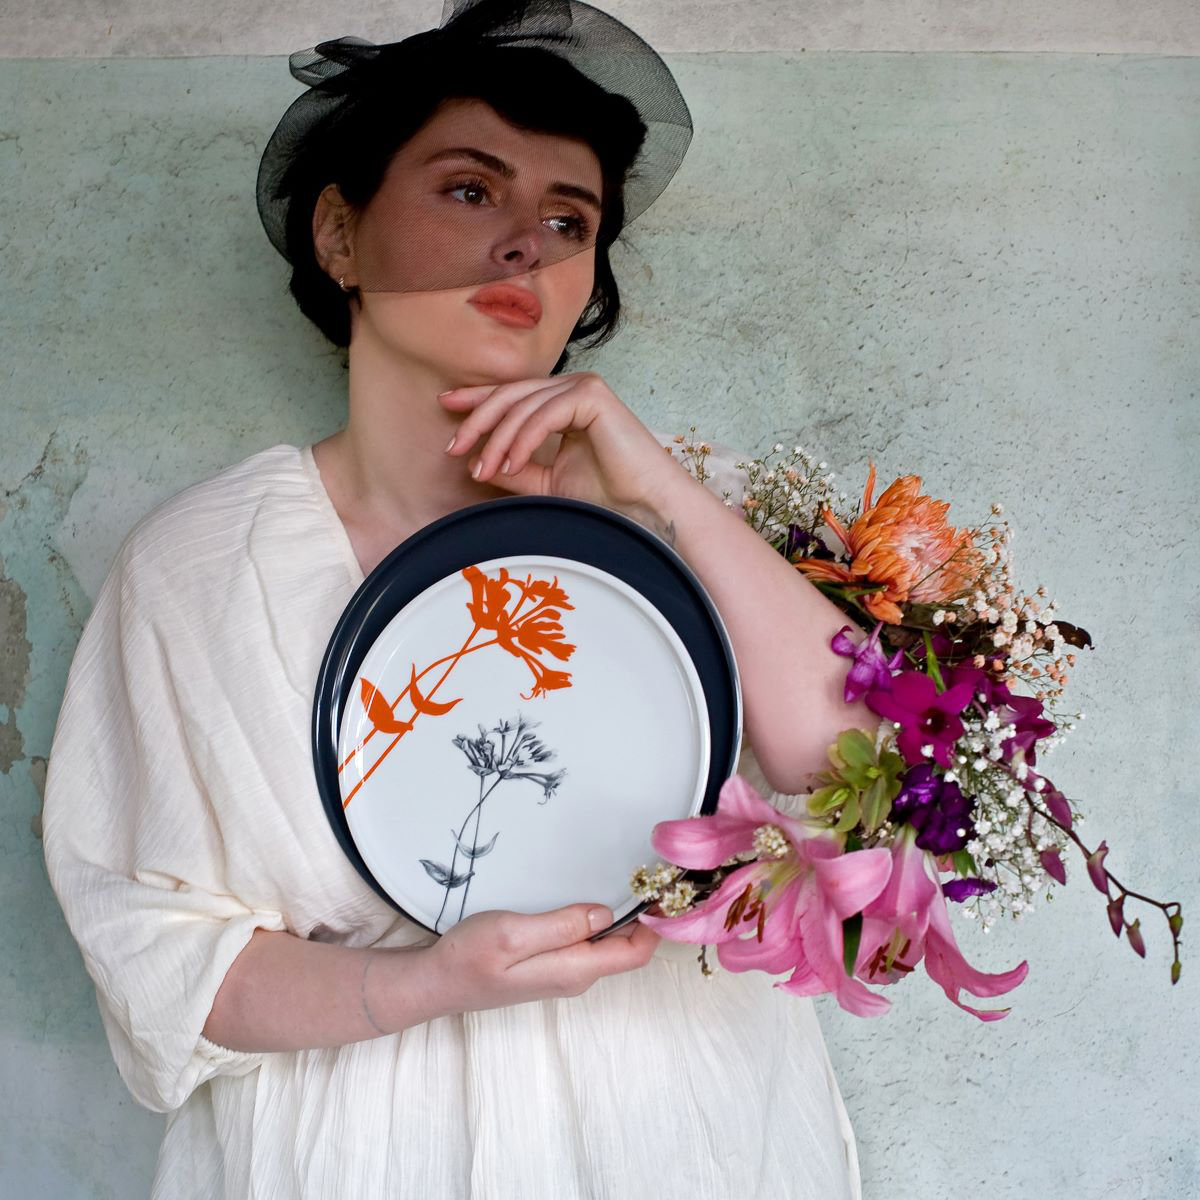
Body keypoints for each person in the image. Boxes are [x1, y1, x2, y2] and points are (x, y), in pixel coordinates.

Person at [41, 3, 869, 1196]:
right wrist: (423, 985)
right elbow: (159, 957)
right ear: (340, 234)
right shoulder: (201, 567)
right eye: (471, 191)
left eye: (569, 220)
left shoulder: (708, 511)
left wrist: (659, 489)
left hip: (682, 1134)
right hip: (351, 1150)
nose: (527, 242)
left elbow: (860, 781)